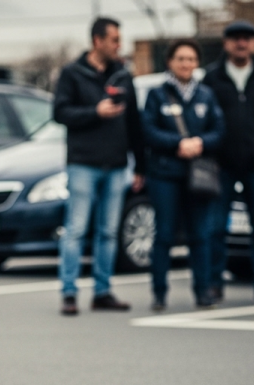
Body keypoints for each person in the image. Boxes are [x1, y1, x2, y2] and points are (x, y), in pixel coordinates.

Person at [53, 16, 146, 316]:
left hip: (117, 164)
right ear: (97, 41)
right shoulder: (72, 73)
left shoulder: (123, 74)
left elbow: (135, 123)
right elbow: (60, 112)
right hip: (84, 163)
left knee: (108, 232)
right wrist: (95, 111)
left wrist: (140, 165)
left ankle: (102, 292)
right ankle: (69, 292)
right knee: (76, 230)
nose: (119, 45)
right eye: (114, 39)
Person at [203, 20, 254, 304]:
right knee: (216, 227)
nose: (241, 43)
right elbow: (205, 119)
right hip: (222, 165)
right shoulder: (212, 78)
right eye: (235, 38)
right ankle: (214, 283)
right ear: (226, 43)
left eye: (247, 38)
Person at [142, 39, 225, 310]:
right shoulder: (157, 95)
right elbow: (149, 130)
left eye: (191, 59)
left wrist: (200, 142)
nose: (186, 64)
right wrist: (177, 144)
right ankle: (159, 293)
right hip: (165, 174)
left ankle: (203, 291)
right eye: (181, 59)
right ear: (170, 62)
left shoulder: (205, 95)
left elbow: (219, 130)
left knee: (199, 235)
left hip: (197, 176)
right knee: (164, 235)